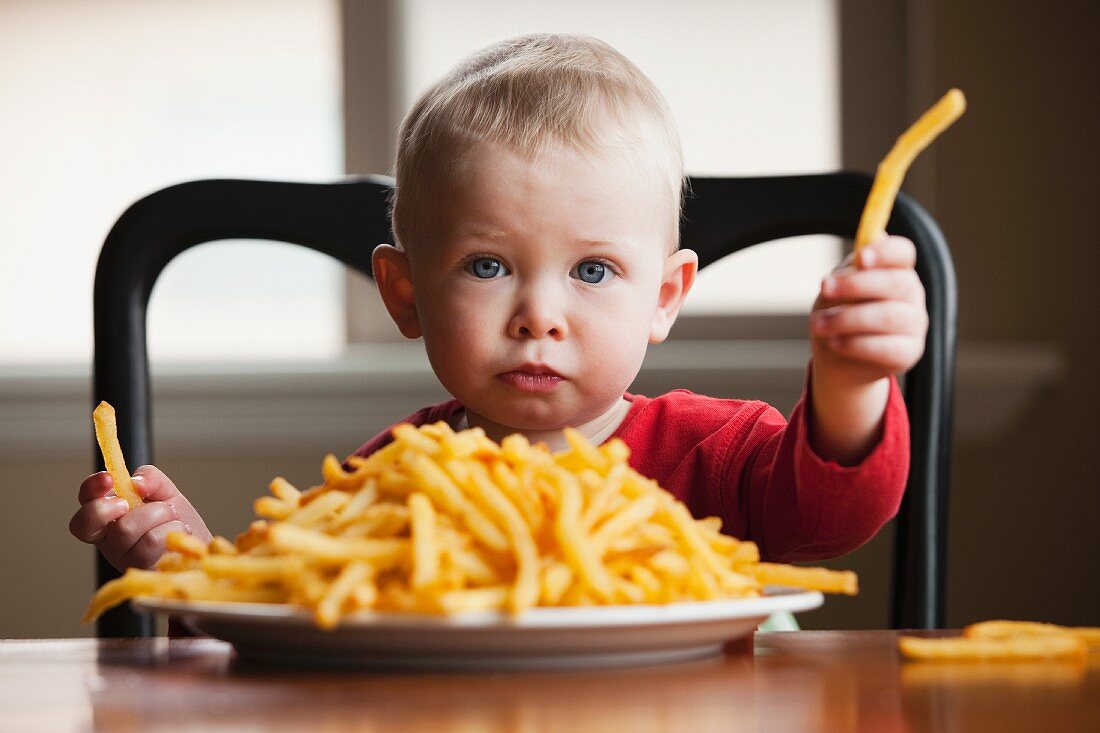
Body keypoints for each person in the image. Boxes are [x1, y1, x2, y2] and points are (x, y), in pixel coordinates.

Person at [70, 33, 926, 572]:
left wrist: (850, 380)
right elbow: (289, 612)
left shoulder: (714, 455)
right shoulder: (394, 479)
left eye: (592, 272)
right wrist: (187, 558)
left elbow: (832, 514)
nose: (537, 315)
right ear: (406, 294)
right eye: (487, 267)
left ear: (664, 298)